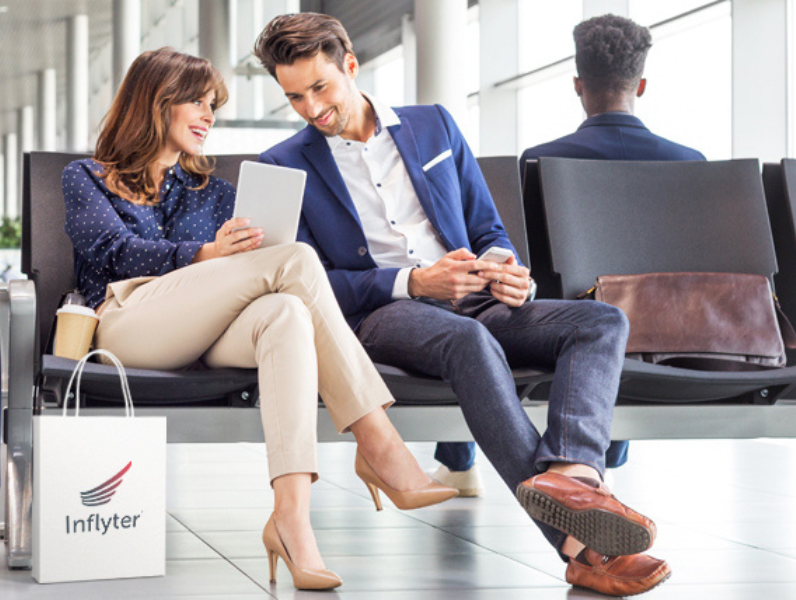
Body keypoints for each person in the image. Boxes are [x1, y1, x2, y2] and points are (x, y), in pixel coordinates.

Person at [254, 13, 670, 596]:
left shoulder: (434, 127)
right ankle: (581, 546)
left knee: (601, 320)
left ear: (351, 66)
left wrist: (506, 267)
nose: (311, 108)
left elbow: (486, 226)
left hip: (477, 297)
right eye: (294, 96)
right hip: (384, 315)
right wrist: (416, 284)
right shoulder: (284, 164)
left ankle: (574, 474)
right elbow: (308, 284)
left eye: (320, 87)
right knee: (467, 342)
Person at [62, 48, 457, 591]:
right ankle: (379, 442)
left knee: (286, 312)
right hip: (128, 323)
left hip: (207, 332)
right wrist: (207, 255)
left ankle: (290, 520)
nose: (208, 116)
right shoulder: (87, 176)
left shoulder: (216, 193)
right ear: (156, 103)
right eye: (195, 102)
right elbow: (111, 252)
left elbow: (253, 278)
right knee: (295, 261)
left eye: (212, 106)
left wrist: (240, 252)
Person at [520, 14, 706, 471]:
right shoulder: (692, 164)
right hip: (672, 333)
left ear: (578, 85)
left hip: (572, 333)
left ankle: (457, 457)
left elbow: (529, 262)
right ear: (640, 85)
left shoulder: (540, 161)